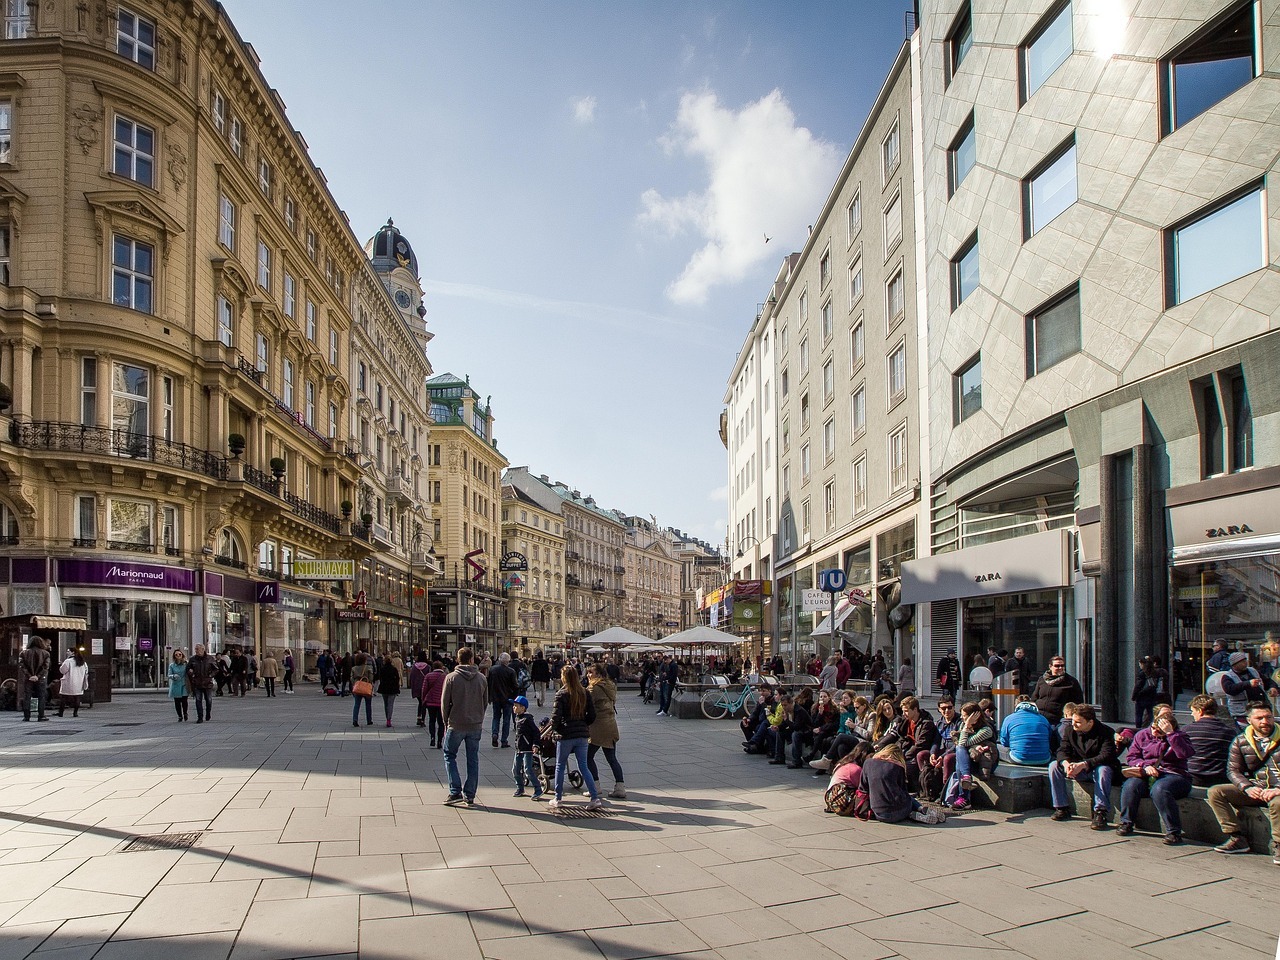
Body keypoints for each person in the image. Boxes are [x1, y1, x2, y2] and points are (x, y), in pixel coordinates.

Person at [1208, 701, 1280, 860]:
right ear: (1249, 720)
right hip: (1258, 787)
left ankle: (1278, 844)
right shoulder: (1241, 740)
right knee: (1216, 792)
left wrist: (1277, 790)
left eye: (1268, 717)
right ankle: (1236, 837)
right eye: (1259, 718)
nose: (1265, 721)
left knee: (1278, 803)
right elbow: (1233, 770)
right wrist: (1247, 787)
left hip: (1277, 791)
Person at [1118, 704, 1194, 844]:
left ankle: (1173, 831)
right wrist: (1144, 765)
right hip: (1147, 772)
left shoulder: (1180, 736)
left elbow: (1185, 753)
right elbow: (1132, 757)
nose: (1154, 732)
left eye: (1159, 731)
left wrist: (1171, 735)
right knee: (1130, 785)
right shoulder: (1142, 735)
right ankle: (1126, 822)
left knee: (1160, 789)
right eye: (1153, 728)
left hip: (1174, 775)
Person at [1049, 704, 1119, 829]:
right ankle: (1061, 807)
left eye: (1078, 722)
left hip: (1095, 767)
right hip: (1076, 767)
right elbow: (1062, 750)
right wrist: (1066, 764)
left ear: (1090, 722)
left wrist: (1083, 764)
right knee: (1054, 766)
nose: (1074, 724)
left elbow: (1106, 755)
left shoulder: (1106, 732)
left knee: (1103, 770)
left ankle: (1100, 812)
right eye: (1073, 721)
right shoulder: (1070, 730)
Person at [549, 666, 603, 813]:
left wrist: (554, 729)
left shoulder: (561, 694)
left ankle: (558, 798)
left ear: (564, 677)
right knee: (583, 766)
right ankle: (594, 798)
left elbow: (556, 717)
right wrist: (584, 724)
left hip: (566, 734)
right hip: (582, 735)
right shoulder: (584, 692)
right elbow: (592, 715)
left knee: (560, 765)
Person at [441, 647, 488, 805]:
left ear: (457, 659)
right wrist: (479, 717)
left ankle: (455, 791)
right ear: (472, 659)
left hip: (456, 723)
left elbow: (444, 703)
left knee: (449, 755)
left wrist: (446, 721)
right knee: (472, 759)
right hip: (475, 724)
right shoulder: (482, 678)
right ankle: (470, 794)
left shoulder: (451, 678)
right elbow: (485, 702)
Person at [863, 743, 946, 824]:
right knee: (909, 799)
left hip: (878, 812)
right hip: (897, 811)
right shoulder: (897, 767)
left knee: (904, 800)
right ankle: (918, 809)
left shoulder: (868, 763)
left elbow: (863, 788)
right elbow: (903, 792)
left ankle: (914, 814)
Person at [586, 662, 626, 799]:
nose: (588, 675)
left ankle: (595, 786)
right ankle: (620, 787)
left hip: (598, 727)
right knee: (612, 759)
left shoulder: (594, 688)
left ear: (598, 674)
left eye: (591, 672)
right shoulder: (610, 686)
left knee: (587, 757)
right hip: (610, 725)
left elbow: (586, 705)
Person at [1186, 693, 1236, 787]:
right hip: (1221, 779)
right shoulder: (1230, 732)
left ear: (1200, 711)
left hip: (1193, 778)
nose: (1192, 714)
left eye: (1193, 711)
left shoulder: (1187, 730)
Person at [1220, 651, 1278, 727]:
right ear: (1234, 664)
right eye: (1242, 662)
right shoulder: (1228, 676)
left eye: (1245, 660)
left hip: (1261, 708)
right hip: (1243, 713)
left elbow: (1267, 681)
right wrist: (1248, 684)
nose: (1245, 663)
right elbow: (1230, 689)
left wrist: (1272, 687)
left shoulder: (1253, 671)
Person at [999, 697, 1056, 766]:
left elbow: (1004, 741)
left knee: (996, 747)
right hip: (1044, 759)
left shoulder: (1009, 718)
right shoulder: (1043, 719)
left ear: (1016, 705)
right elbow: (1049, 738)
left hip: (1019, 758)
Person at [1032, 655, 1084, 726]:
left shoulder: (1071, 682)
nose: (1060, 668)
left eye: (1062, 666)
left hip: (1058, 721)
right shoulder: (1042, 680)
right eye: (1057, 666)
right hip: (1039, 718)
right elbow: (1034, 698)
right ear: (1050, 666)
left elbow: (1078, 702)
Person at [510, 696, 545, 800]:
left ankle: (538, 789)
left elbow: (536, 732)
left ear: (523, 708)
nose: (514, 707)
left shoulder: (527, 719)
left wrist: (536, 745)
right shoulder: (517, 718)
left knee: (528, 770)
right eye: (514, 705)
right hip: (519, 748)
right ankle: (520, 788)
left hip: (527, 749)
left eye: (516, 706)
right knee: (515, 770)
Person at [487, 652, 518, 747]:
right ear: (508, 661)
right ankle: (504, 740)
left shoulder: (493, 669)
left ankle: (495, 733)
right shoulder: (511, 671)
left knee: (496, 717)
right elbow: (515, 686)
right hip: (507, 698)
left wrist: (489, 696)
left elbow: (488, 684)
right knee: (506, 720)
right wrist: (515, 698)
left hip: (496, 698)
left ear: (500, 660)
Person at [19, 636, 50, 722]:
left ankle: (26, 716)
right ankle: (41, 716)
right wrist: (38, 676)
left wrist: (29, 675)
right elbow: (45, 667)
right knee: (41, 696)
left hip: (28, 678)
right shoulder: (46, 653)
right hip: (41, 679)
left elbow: (22, 666)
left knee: (27, 696)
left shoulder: (23, 653)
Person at [186, 644, 216, 723]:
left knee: (208, 700)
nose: (196, 651)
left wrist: (211, 675)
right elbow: (188, 668)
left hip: (207, 682)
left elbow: (216, 669)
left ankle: (208, 713)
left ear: (203, 649)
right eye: (195, 649)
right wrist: (191, 672)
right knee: (198, 700)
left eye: (198, 649)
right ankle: (200, 717)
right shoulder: (193, 659)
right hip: (197, 682)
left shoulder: (210, 658)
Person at [421, 660, 447, 748]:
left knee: (432, 720)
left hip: (431, 702)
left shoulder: (428, 676)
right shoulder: (445, 676)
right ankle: (439, 741)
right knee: (441, 723)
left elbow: (424, 689)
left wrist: (424, 699)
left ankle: (432, 737)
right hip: (441, 703)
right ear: (441, 667)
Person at [57, 648, 89, 718]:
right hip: (79, 682)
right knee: (77, 697)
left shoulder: (68, 661)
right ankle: (75, 713)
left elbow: (62, 670)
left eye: (68, 651)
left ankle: (61, 713)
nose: (67, 652)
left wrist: (61, 665)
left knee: (64, 697)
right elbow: (86, 671)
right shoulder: (83, 662)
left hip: (69, 681)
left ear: (73, 653)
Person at [1131, 657, 1160, 727]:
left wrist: (1134, 697)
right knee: (1151, 715)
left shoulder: (1142, 673)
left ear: (1142, 664)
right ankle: (1153, 727)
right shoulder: (1155, 672)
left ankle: (1138, 729)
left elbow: (1138, 686)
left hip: (1142, 697)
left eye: (1140, 664)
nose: (1139, 665)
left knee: (1139, 715)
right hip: (1152, 696)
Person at [349, 653, 375, 727]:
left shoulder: (354, 668)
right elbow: (371, 678)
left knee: (357, 704)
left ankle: (355, 720)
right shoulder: (368, 667)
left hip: (357, 687)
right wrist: (368, 682)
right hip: (366, 687)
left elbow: (351, 678)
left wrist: (355, 683)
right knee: (368, 705)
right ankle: (369, 720)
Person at [378, 654, 400, 727]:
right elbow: (397, 679)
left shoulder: (382, 669)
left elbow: (380, 678)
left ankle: (387, 717)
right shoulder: (394, 669)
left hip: (384, 688)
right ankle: (389, 719)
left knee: (386, 704)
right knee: (390, 704)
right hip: (392, 689)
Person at [167, 649, 190, 721]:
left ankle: (185, 713)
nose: (178, 656)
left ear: (182, 655)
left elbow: (189, 672)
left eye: (179, 654)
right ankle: (180, 716)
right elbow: (169, 675)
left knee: (184, 700)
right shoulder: (172, 665)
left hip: (184, 684)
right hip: (176, 684)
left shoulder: (186, 664)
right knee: (177, 701)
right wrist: (173, 676)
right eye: (176, 655)